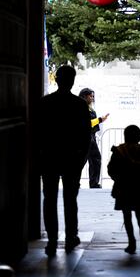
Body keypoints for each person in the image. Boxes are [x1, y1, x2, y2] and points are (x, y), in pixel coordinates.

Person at [34, 65, 93, 257]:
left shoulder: (45, 103)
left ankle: (52, 240)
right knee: (70, 199)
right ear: (73, 81)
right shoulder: (79, 105)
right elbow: (86, 135)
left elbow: (37, 133)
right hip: (71, 157)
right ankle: (70, 236)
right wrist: (82, 157)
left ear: (57, 80)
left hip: (50, 156)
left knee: (49, 198)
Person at [107, 124, 140, 254]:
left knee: (127, 216)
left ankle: (131, 242)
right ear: (139, 137)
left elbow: (111, 169)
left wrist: (118, 179)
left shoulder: (119, 151)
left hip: (123, 188)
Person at [78, 87, 109, 188]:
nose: (92, 98)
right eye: (90, 96)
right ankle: (92, 183)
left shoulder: (89, 108)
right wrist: (100, 119)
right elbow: (86, 123)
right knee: (90, 159)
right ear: (84, 96)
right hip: (85, 137)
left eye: (93, 96)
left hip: (90, 137)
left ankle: (93, 183)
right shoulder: (81, 108)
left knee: (93, 159)